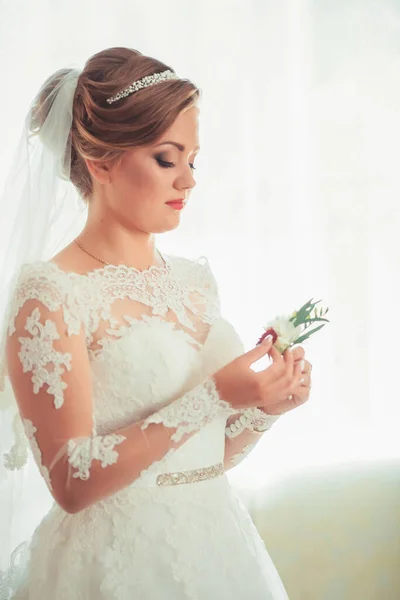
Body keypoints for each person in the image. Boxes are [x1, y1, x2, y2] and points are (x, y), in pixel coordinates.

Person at [0, 47, 312, 599]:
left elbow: (199, 458)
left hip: (217, 551)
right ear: (100, 162)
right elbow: (71, 481)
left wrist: (265, 410)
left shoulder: (193, 282)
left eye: (194, 160)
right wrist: (217, 394)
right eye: (168, 159)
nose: (188, 182)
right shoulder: (51, 295)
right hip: (113, 567)